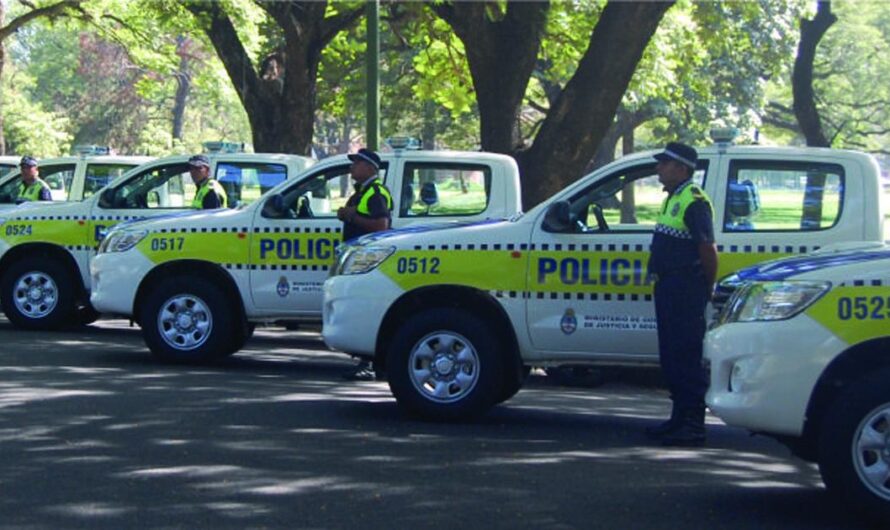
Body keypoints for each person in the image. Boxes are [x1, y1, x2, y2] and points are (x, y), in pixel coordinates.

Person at [645, 142, 718, 447]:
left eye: (665, 163)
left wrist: (706, 287)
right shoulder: (674, 197)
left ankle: (692, 424)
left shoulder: (693, 201)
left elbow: (707, 249)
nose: (659, 168)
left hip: (685, 287)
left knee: (685, 355)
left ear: (682, 169)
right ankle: (678, 418)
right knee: (671, 355)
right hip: (669, 286)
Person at [337, 147, 393, 381]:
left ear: (370, 167)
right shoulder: (364, 191)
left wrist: (351, 216)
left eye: (357, 163)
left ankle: (369, 364)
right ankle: (368, 362)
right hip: (359, 259)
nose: (353, 167)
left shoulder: (376, 192)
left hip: (369, 260)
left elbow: (382, 226)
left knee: (365, 309)